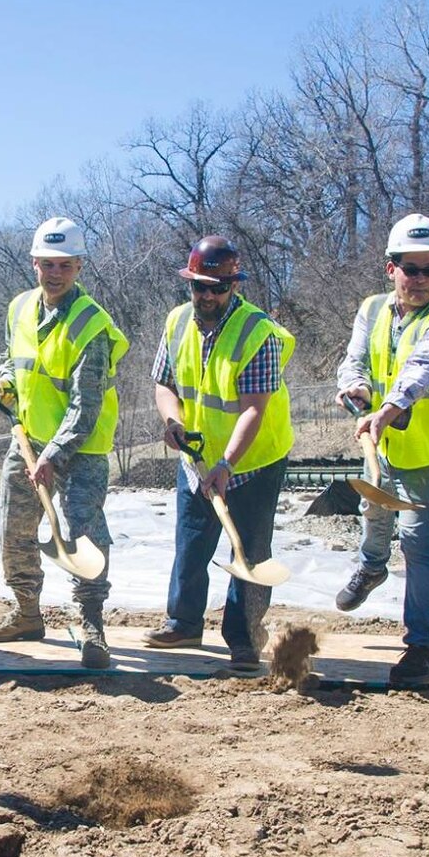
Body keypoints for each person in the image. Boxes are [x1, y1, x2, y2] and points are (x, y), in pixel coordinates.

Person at [332, 213, 429, 687]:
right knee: (372, 510)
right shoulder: (372, 309)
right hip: (382, 444)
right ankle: (372, 568)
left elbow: (421, 370)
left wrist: (389, 407)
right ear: (389, 267)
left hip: (427, 454)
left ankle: (420, 646)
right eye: (409, 268)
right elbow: (354, 358)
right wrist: (355, 389)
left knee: (418, 544)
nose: (418, 279)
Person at [0, 217, 129, 669]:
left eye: (65, 265)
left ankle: (92, 625)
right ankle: (27, 612)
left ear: (80, 266)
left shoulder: (92, 325)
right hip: (27, 438)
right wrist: (4, 382)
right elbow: (12, 359)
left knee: (84, 534)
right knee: (14, 529)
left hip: (80, 448)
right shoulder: (19, 308)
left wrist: (54, 454)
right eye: (48, 264)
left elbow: (85, 407)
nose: (55, 273)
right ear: (34, 264)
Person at [145, 235, 296, 676]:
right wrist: (173, 422)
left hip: (252, 461)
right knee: (191, 542)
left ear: (234, 286)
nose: (208, 296)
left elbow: (253, 409)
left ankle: (245, 640)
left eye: (218, 287)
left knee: (248, 550)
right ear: (189, 284)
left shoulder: (257, 333)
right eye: (200, 287)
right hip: (196, 455)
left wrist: (227, 464)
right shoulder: (176, 323)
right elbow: (164, 384)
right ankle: (184, 622)